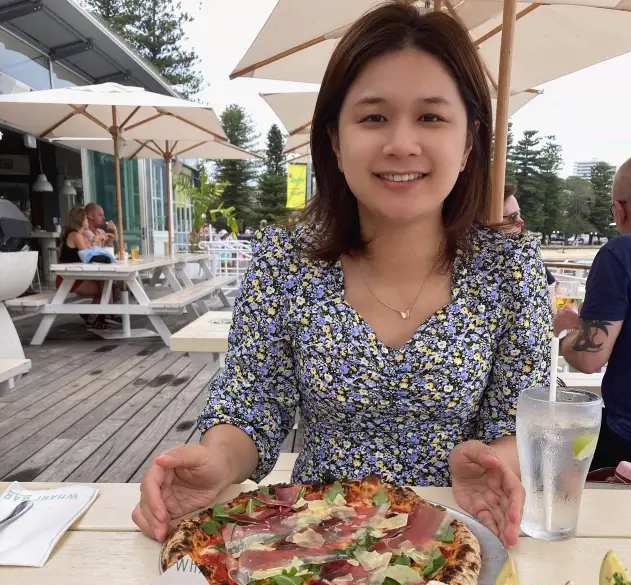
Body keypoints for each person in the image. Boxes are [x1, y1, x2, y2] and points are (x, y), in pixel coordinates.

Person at [133, 2, 552, 548]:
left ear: (470, 140)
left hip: (459, 542)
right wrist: (215, 461)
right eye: (374, 116)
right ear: (333, 137)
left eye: (431, 116)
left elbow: (519, 419)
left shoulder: (510, 268)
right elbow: (251, 407)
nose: (401, 143)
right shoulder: (283, 260)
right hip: (313, 556)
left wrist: (496, 461)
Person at [555, 153, 631, 470]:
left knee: (566, 457)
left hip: (628, 441)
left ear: (619, 209)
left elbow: (588, 358)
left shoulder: (623, 254)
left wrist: (567, 330)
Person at [56, 206, 109, 330]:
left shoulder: (78, 235)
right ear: (80, 220)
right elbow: (88, 256)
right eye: (86, 218)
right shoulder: (75, 235)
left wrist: (97, 242)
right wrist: (95, 243)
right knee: (103, 288)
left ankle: (96, 316)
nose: (87, 221)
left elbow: (91, 252)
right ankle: (93, 318)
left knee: (105, 285)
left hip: (73, 276)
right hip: (69, 279)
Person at [502, 183, 557, 287]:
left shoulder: (524, 253)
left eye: (518, 214)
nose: (521, 221)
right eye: (513, 216)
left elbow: (554, 286)